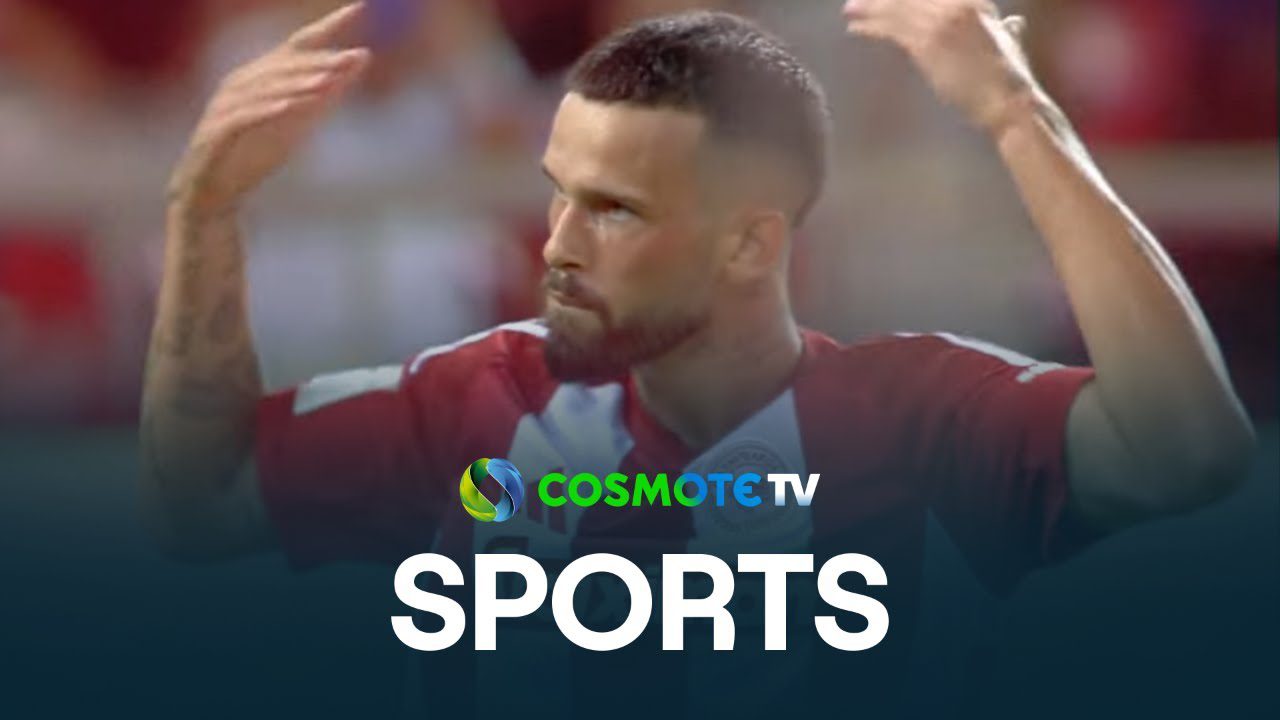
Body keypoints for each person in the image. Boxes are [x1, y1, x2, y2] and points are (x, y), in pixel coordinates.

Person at [140, 1, 1254, 715]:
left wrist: (1015, 116)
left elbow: (1187, 451)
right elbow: (204, 497)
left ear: (750, 244)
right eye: (559, 197)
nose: (559, 246)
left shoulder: (917, 414)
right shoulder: (477, 397)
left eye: (615, 210)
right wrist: (203, 213)